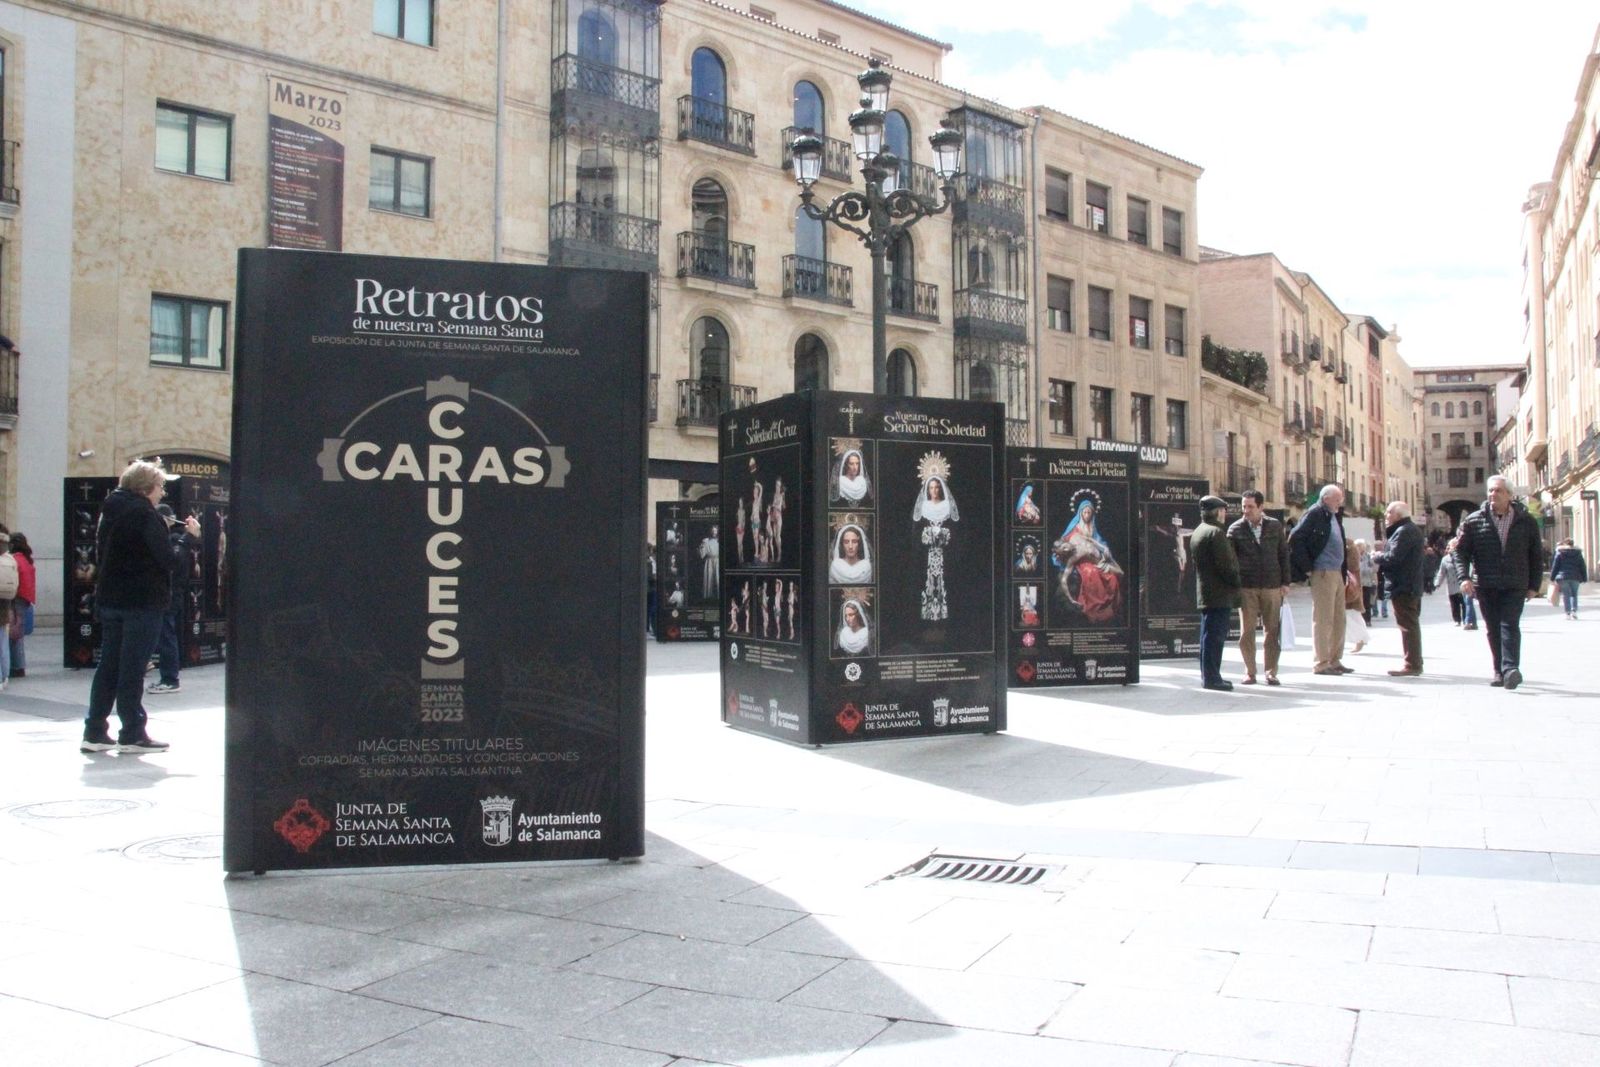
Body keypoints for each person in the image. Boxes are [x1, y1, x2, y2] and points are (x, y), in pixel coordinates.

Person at [81, 460, 200, 753]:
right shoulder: (146, 515)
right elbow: (169, 561)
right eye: (160, 487)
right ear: (146, 488)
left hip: (111, 599)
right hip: (142, 602)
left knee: (108, 665)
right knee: (133, 668)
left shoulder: (111, 509)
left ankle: (94, 731)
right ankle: (132, 732)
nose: (162, 493)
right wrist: (187, 539)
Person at [1453, 475, 1543, 690]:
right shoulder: (1474, 520)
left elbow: (1535, 555)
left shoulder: (1526, 520)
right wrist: (1464, 578)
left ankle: (1511, 668)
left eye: (1498, 491)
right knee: (1493, 628)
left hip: (1515, 582)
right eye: (1491, 490)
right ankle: (1498, 670)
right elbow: (1461, 553)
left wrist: (1534, 585)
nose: (1493, 494)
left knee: (1509, 625)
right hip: (1486, 584)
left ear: (1510, 495)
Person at [1226, 489, 1289, 686]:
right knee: (1247, 631)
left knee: (1272, 630)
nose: (1246, 510)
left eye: (1250, 506)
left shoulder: (1275, 526)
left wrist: (1286, 582)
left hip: (1272, 585)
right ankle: (1250, 671)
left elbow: (1283, 554)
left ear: (1261, 507)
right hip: (1247, 586)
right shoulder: (1235, 529)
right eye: (1244, 506)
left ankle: (1271, 671)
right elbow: (1231, 560)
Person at [1289, 484, 1353, 675]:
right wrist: (1307, 568)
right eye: (1337, 499)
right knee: (1323, 619)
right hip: (1323, 571)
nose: (1340, 502)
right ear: (1326, 498)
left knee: (1339, 619)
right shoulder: (1315, 513)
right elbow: (1295, 537)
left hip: (1336, 572)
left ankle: (1335, 659)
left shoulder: (1333, 515)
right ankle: (1321, 663)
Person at [1051, 490, 1124, 623]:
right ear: (1080, 513)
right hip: (1083, 563)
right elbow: (1065, 543)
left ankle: (1109, 608)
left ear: (1092, 514)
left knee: (1113, 577)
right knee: (1092, 573)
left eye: (1089, 512)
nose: (1086, 515)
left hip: (1098, 558)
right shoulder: (1075, 531)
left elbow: (1099, 542)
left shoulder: (1092, 528)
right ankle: (1095, 608)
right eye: (1084, 512)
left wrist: (1105, 549)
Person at [1191, 495, 1240, 691]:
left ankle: (1210, 675)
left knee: (1207, 636)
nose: (1225, 514)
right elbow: (1226, 565)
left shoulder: (1199, 531)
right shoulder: (1216, 533)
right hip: (1218, 593)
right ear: (1218, 512)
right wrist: (1237, 581)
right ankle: (1212, 678)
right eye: (1223, 511)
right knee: (1215, 637)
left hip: (1207, 591)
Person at [147, 505, 198, 694]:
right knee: (165, 633)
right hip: (171, 593)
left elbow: (174, 564)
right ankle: (167, 674)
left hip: (170, 594)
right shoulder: (174, 540)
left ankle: (170, 678)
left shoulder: (175, 540)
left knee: (166, 634)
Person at [1372, 501, 1425, 676]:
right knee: (1410, 624)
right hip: (1409, 583)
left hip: (1404, 585)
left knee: (1407, 625)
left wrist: (1377, 556)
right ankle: (1415, 661)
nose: (1386, 515)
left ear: (1399, 515)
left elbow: (1394, 557)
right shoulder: (1409, 529)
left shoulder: (1404, 531)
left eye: (1389, 512)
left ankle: (1412, 664)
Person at [913, 467, 959, 621]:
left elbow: (955, 531)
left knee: (948, 586)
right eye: (931, 487)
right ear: (927, 489)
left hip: (946, 557)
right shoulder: (923, 508)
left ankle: (946, 623)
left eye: (937, 487)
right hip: (925, 556)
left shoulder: (947, 507)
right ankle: (926, 623)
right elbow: (916, 532)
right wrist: (929, 535)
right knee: (925, 587)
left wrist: (943, 535)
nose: (934, 490)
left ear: (941, 488)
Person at [8, 531, 34, 677]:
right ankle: (18, 665)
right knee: (18, 633)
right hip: (25, 598)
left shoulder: (14, 560)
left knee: (14, 633)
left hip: (16, 597)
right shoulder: (26, 559)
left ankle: (17, 666)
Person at [1549, 537, 1587, 619]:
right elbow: (1582, 566)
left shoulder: (1560, 553)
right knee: (1574, 594)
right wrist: (1584, 577)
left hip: (1563, 577)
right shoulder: (1578, 553)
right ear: (1573, 544)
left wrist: (1552, 578)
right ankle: (1574, 611)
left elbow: (1555, 566)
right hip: (1575, 576)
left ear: (1564, 544)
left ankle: (1567, 613)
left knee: (1566, 595)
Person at [1344, 539, 1370, 654]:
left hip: (1350, 587)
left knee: (1352, 616)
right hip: (1350, 586)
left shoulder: (1350, 546)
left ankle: (1360, 639)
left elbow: (1352, 566)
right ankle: (1359, 639)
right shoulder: (1349, 545)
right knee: (1351, 616)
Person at [1358, 540, 1378, 624]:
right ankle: (1360, 620)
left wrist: (1366, 570)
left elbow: (1375, 569)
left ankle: (1367, 620)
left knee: (1367, 602)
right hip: (1357, 583)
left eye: (1360, 546)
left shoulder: (1369, 557)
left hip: (1367, 582)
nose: (1359, 548)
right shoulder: (1354, 556)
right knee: (1359, 602)